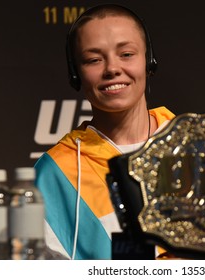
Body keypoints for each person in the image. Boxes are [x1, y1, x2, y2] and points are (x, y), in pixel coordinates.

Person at [34, 3, 175, 260]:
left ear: (149, 61)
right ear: (76, 74)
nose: (112, 69)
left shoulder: (196, 147)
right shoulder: (56, 172)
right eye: (94, 59)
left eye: (127, 54)